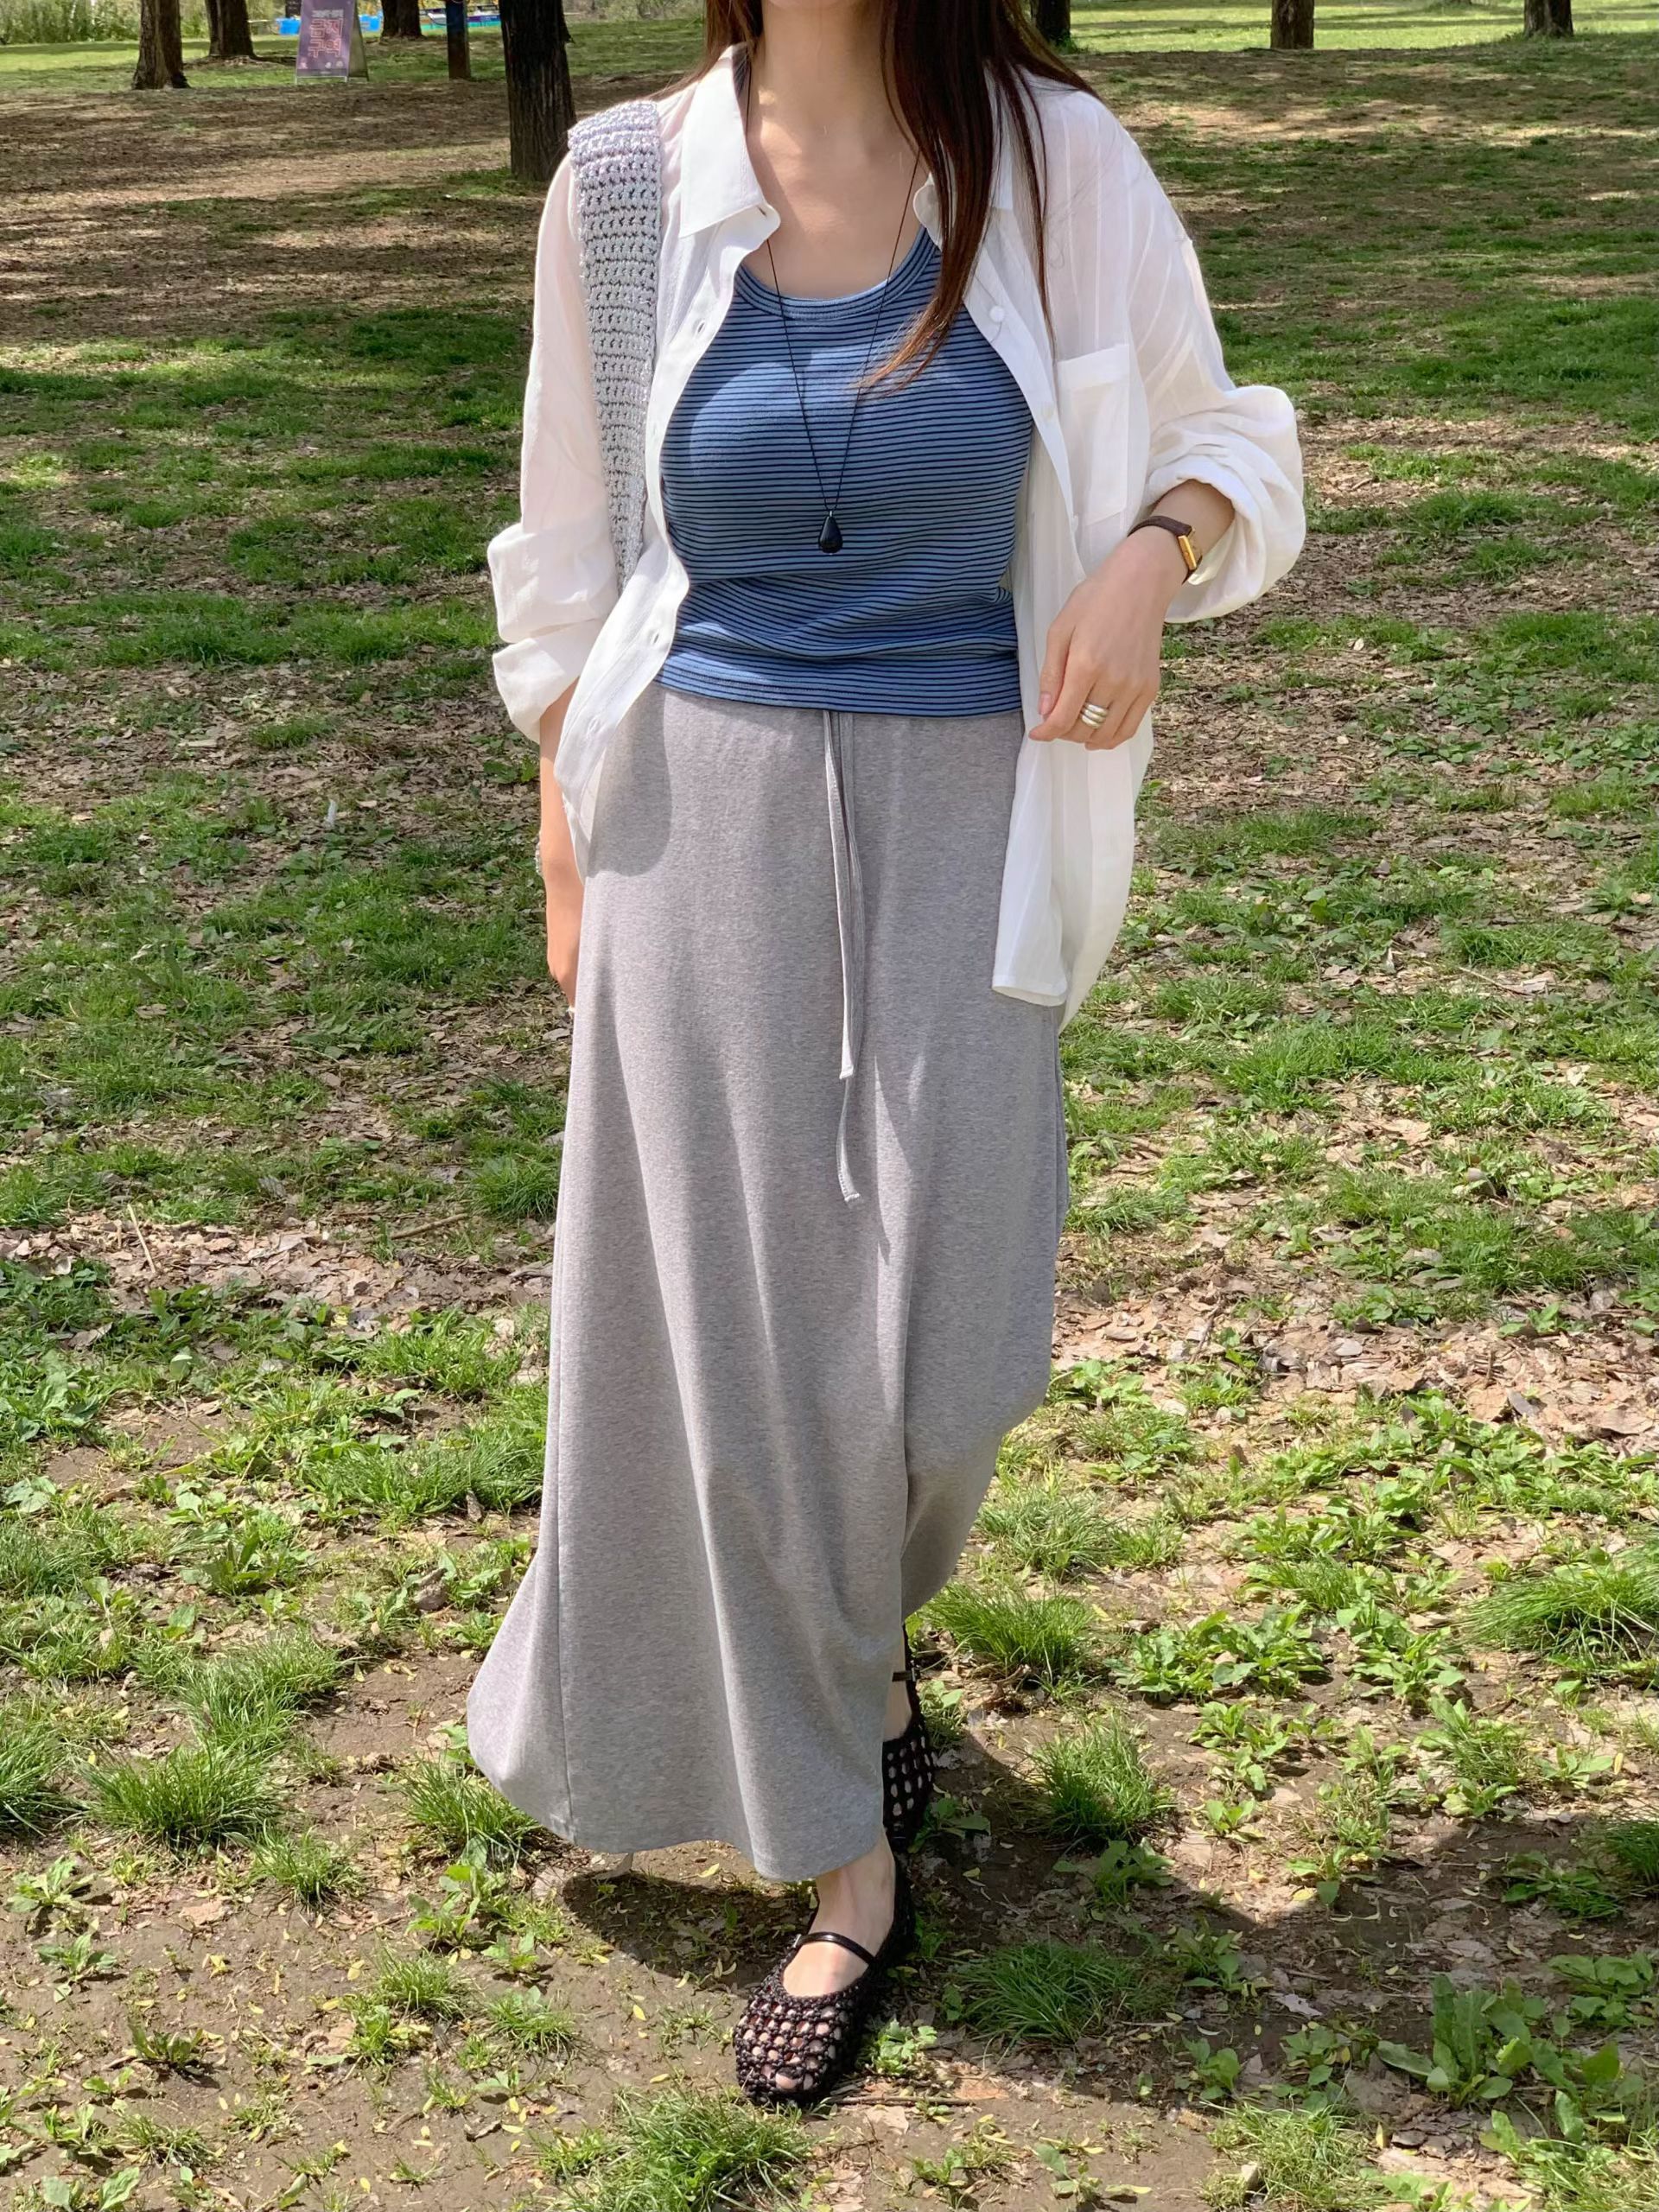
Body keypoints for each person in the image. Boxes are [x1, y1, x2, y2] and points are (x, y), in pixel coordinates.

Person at [467, 0, 1304, 2105]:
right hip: (697, 814)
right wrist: (563, 820)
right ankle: (845, 1848)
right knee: (749, 1357)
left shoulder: (1057, 165)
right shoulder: (628, 189)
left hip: (970, 808)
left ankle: (855, 1638)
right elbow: (571, 555)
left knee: (947, 1353)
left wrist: (1153, 552)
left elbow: (1239, 438)